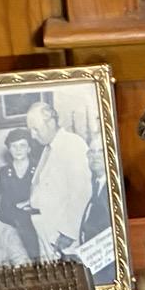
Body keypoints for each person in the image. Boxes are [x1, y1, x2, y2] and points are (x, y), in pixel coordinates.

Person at [26, 98, 91, 259]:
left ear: (51, 122)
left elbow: (81, 192)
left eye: (35, 129)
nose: (32, 136)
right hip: (46, 230)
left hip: (62, 236)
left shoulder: (72, 144)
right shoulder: (48, 148)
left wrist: (68, 233)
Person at [0, 128, 38, 259]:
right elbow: (2, 200)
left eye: (22, 145)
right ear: (9, 149)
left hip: (34, 221)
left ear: (29, 148)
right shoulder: (3, 172)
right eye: (14, 146)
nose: (18, 150)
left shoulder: (38, 168)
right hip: (10, 222)